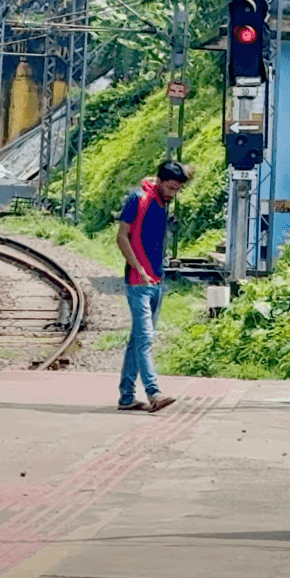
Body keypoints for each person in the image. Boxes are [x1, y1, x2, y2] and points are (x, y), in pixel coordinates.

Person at [116, 160, 190, 412]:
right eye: (170, 188)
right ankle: (153, 392)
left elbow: (187, 173)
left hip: (158, 280)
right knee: (145, 338)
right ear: (159, 182)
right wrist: (138, 268)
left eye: (177, 190)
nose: (173, 194)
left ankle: (126, 397)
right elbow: (121, 236)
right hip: (139, 282)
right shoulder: (137, 199)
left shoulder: (161, 202)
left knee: (137, 339)